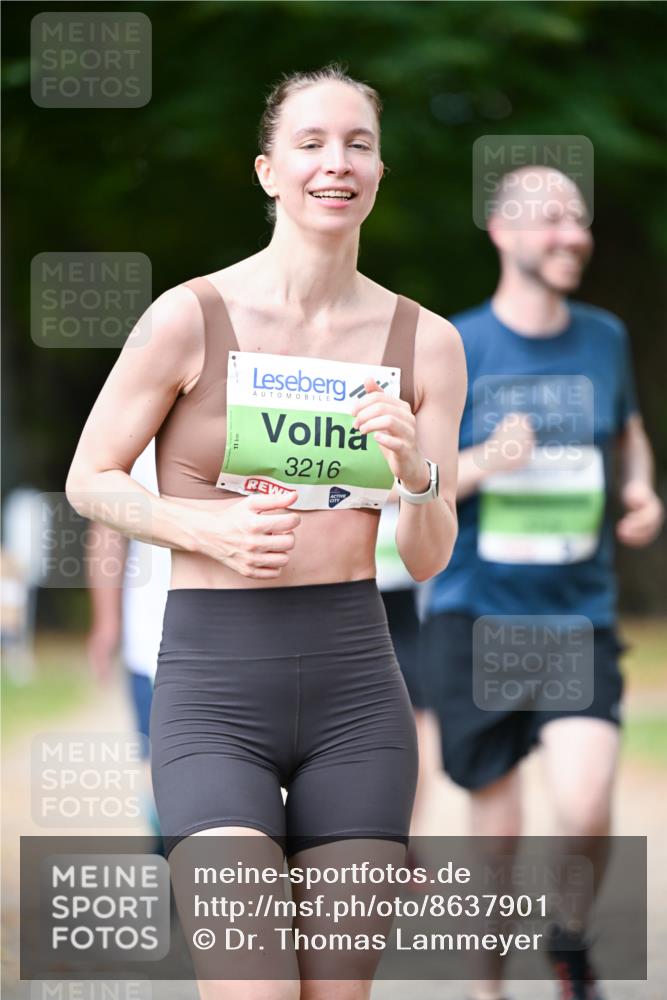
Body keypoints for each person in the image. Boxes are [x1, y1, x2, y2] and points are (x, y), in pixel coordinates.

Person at [66, 65, 466, 1000]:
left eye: (358, 143)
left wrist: (416, 475)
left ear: (378, 169)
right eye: (311, 144)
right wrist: (200, 528)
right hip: (212, 694)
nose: (337, 163)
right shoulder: (190, 317)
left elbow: (426, 553)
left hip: (359, 699)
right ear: (267, 171)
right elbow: (90, 478)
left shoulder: (426, 343)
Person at [421, 166, 664, 1000]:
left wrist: (639, 490)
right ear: (502, 231)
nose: (574, 237)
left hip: (575, 615)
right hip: (475, 612)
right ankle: (485, 987)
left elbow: (627, 434)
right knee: (494, 836)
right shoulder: (452, 344)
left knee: (587, 806)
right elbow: (415, 481)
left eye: (580, 221)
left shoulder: (603, 337)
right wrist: (488, 460)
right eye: (552, 220)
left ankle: (566, 936)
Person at [85, 439, 170, 834]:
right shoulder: (139, 429)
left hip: (260, 636)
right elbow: (106, 530)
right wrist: (107, 622)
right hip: (152, 637)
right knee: (161, 769)